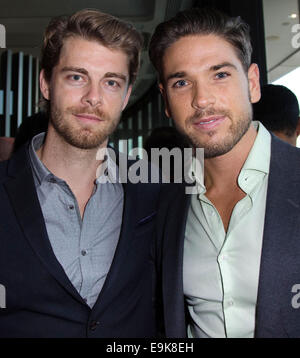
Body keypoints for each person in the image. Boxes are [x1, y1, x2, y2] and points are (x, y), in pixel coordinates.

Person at [0, 9, 162, 338]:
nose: (93, 97)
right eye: (77, 77)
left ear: (126, 95)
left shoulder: (155, 189)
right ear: (46, 83)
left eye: (111, 82)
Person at [149, 7, 300, 338]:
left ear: (252, 83)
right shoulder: (162, 200)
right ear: (166, 101)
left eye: (220, 75)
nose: (202, 100)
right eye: (182, 82)